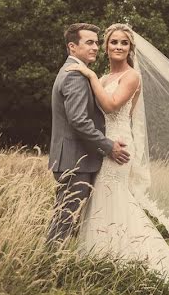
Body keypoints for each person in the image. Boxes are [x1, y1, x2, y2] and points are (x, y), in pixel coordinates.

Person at [65, 23, 169, 283]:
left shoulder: (131, 76)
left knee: (114, 195)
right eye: (113, 42)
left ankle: (130, 257)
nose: (119, 47)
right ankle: (104, 257)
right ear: (106, 47)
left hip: (118, 145)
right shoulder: (103, 78)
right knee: (104, 198)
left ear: (130, 48)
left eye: (124, 43)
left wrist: (87, 76)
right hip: (104, 144)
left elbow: (110, 107)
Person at [47, 23, 131, 245]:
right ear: (72, 47)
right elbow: (78, 121)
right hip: (75, 160)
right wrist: (108, 146)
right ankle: (45, 269)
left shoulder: (79, 72)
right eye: (89, 42)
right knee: (64, 219)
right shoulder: (75, 76)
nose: (95, 47)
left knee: (64, 217)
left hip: (75, 158)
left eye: (96, 42)